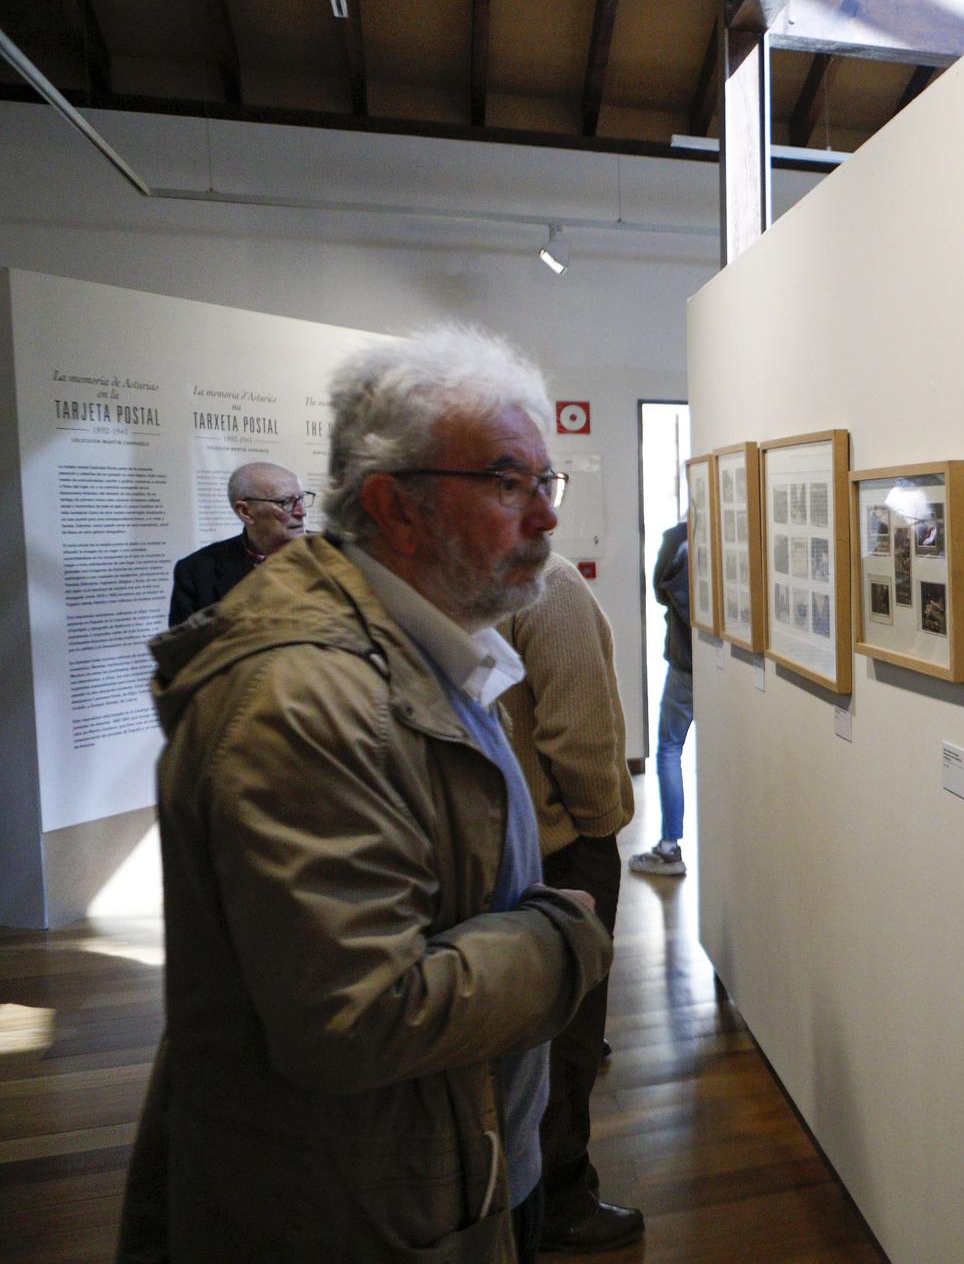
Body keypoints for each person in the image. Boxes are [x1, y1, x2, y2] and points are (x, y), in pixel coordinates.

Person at [118, 325, 612, 1264]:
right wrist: (561, 937)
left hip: (437, 1161)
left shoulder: (429, 648)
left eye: (547, 483)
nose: (546, 517)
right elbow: (356, 1015)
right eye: (509, 483)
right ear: (397, 506)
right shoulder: (306, 697)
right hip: (358, 1205)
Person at [496, 556, 645, 1253]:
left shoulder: (445, 578)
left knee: (527, 1031)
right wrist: (597, 825)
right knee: (570, 1031)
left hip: (502, 840)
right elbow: (578, 730)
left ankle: (520, 1187)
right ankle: (561, 1194)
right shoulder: (545, 583)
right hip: (562, 845)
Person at [166, 460, 310, 624]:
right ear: (246, 511)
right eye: (286, 502)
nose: (302, 511)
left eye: (301, 499)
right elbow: (185, 648)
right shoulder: (196, 572)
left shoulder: (336, 552)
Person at [631, 519, 691, 878]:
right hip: (726, 666)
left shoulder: (677, 537)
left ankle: (670, 846)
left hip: (684, 661)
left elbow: (657, 589)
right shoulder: (739, 530)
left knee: (669, 749)